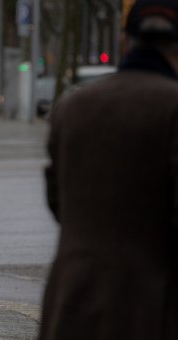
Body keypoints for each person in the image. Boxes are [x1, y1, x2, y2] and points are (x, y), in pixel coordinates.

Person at [40, 1, 178, 339]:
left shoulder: (71, 108)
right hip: (150, 312)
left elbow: (59, 202)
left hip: (70, 306)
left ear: (123, 41)